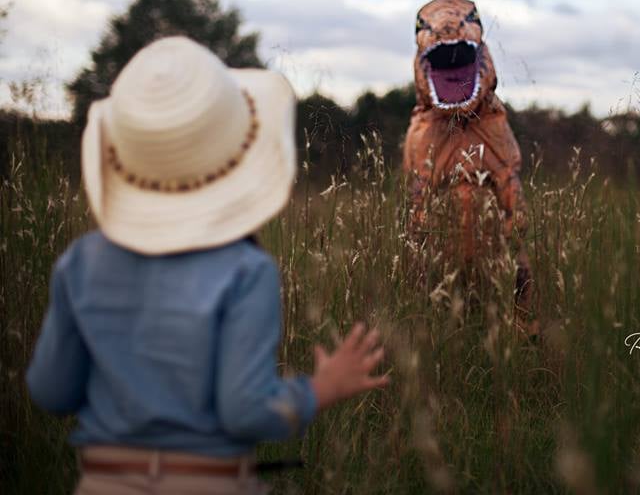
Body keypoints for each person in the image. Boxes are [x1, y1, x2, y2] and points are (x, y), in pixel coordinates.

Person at [26, 36, 389, 494]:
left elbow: (51, 391)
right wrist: (320, 389)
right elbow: (244, 411)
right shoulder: (246, 272)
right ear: (238, 161)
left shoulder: (80, 262)